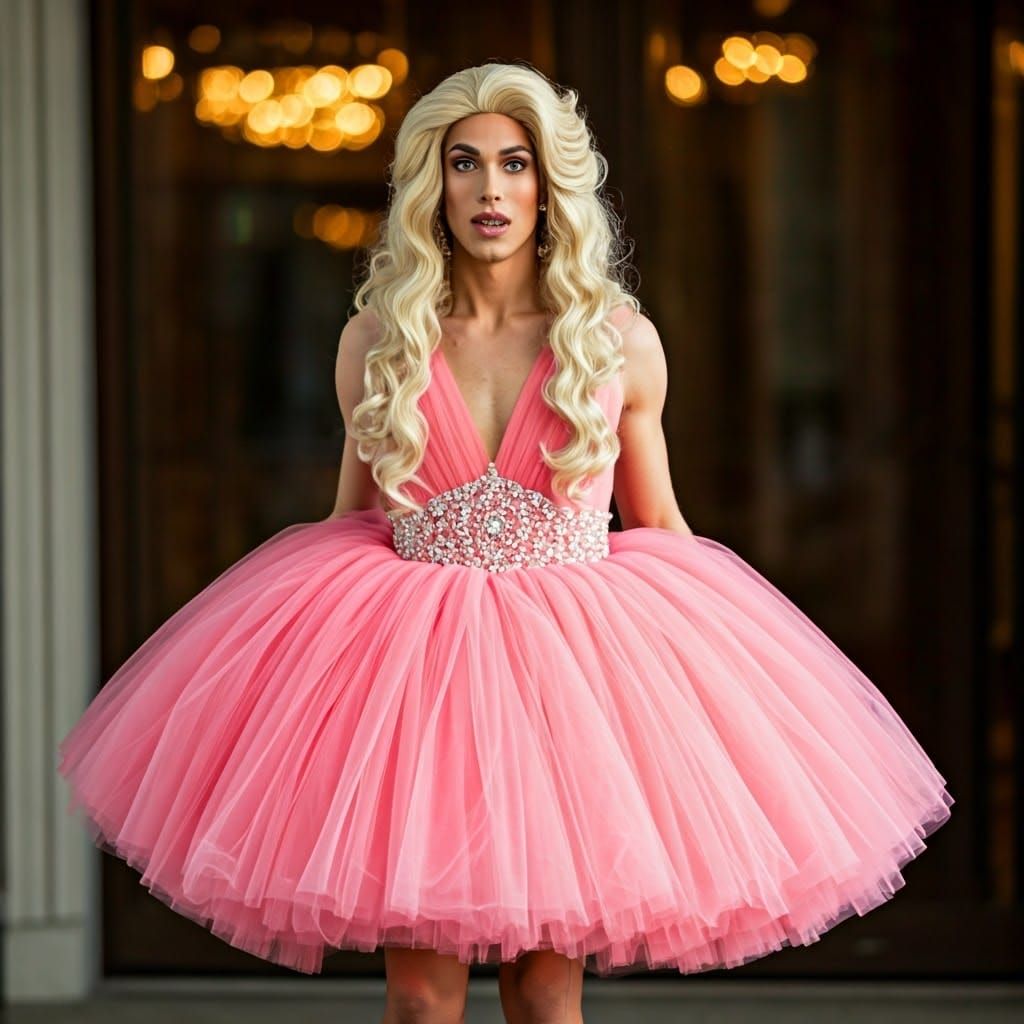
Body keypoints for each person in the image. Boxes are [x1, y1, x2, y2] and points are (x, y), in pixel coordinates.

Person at [57, 61, 954, 1024]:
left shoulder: (615, 340)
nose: (491, 189)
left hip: (565, 681)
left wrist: (734, 683)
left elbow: (658, 525)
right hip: (414, 679)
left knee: (545, 995)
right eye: (466, 164)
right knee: (420, 999)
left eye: (515, 163)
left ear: (548, 183)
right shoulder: (380, 339)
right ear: (432, 188)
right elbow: (355, 514)